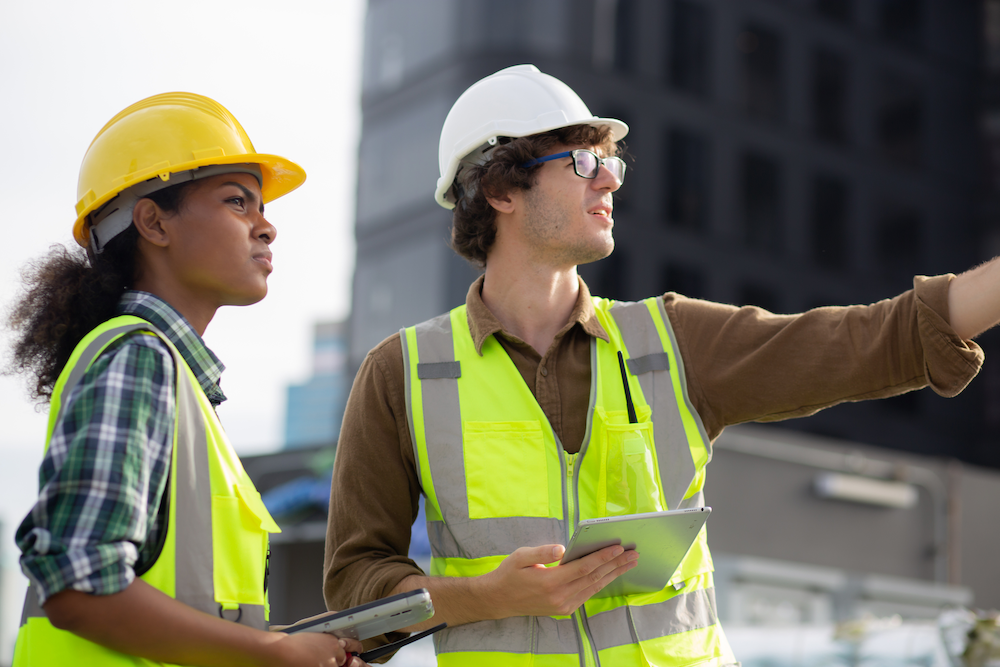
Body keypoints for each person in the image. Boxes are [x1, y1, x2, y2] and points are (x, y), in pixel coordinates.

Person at [323, 64, 995, 666]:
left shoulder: (672, 339)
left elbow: (866, 340)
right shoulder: (401, 374)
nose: (611, 176)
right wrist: (485, 596)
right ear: (500, 188)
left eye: (612, 160)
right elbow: (358, 588)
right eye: (583, 162)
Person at [9, 93, 365, 667]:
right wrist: (271, 653)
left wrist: (288, 647)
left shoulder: (175, 380)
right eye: (237, 202)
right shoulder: (139, 361)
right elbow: (78, 582)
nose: (266, 226)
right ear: (153, 221)